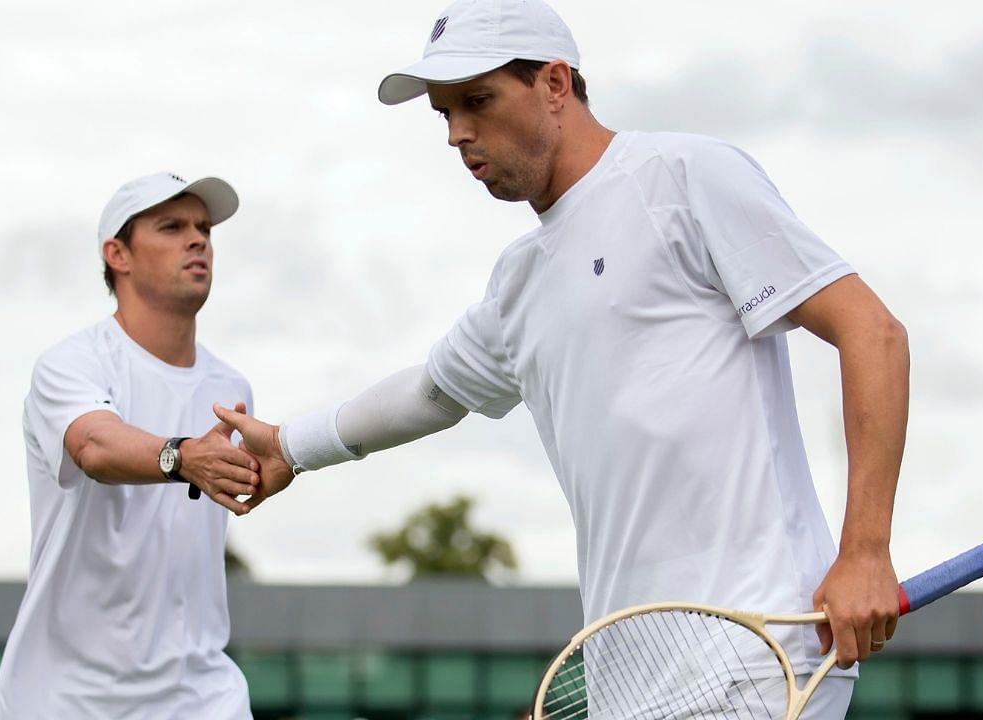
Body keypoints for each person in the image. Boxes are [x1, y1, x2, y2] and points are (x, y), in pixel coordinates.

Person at [217, 0, 909, 715]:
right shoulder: (520, 281)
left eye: (477, 102)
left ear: (554, 83)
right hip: (624, 682)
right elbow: (432, 392)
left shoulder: (683, 178)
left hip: (759, 658)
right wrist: (291, 450)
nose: (458, 134)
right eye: (445, 114)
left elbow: (872, 333)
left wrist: (863, 551)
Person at [0, 172, 261, 719]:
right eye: (171, 226)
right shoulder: (72, 365)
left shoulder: (231, 390)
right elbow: (94, 445)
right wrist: (182, 457)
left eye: (204, 228)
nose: (197, 239)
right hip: (66, 699)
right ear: (118, 254)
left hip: (201, 697)